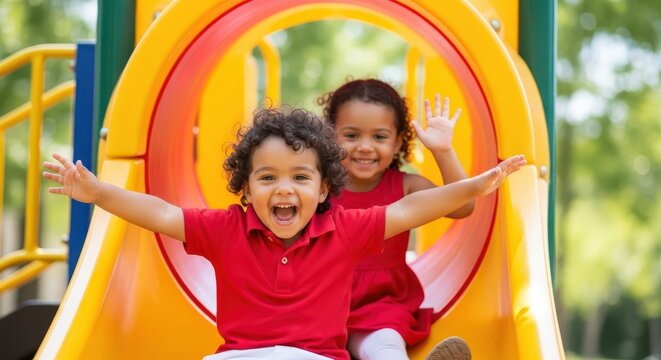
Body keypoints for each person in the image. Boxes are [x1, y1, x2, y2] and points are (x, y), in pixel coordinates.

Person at [43, 107, 525, 360]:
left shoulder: (345, 228)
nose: (284, 189)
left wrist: (474, 184)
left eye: (300, 176)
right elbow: (161, 212)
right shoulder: (225, 228)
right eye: (267, 177)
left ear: (323, 188)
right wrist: (99, 192)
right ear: (246, 187)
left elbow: (411, 208)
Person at [318, 79, 473, 359]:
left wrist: (443, 151)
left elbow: (463, 205)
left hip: (383, 303)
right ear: (330, 136)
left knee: (385, 345)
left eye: (379, 137)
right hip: (324, 300)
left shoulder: (405, 186)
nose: (365, 147)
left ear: (398, 141)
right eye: (351, 136)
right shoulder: (318, 187)